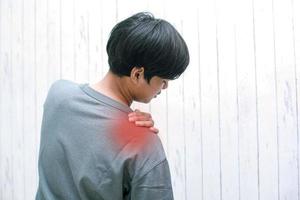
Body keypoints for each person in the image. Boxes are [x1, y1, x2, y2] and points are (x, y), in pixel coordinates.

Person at [36, 12, 189, 200]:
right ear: (137, 74)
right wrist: (140, 136)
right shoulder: (145, 146)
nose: (165, 86)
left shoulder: (57, 95)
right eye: (163, 79)